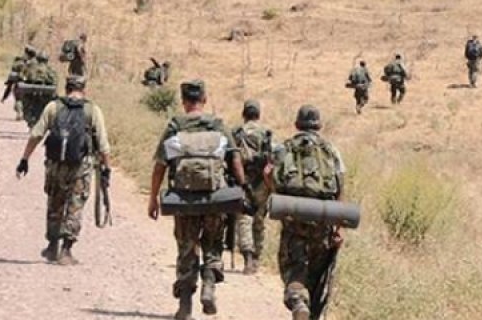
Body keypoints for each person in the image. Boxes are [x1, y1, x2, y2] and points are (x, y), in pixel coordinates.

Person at [146, 80, 250, 320]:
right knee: (213, 245)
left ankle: (185, 306)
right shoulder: (218, 125)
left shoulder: (175, 126)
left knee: (186, 249)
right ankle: (209, 287)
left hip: (184, 200)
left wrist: (153, 198)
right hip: (215, 198)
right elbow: (235, 160)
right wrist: (242, 188)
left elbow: (160, 165)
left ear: (183, 101)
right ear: (204, 99)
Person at [15, 75, 112, 265]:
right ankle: (66, 251)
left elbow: (36, 134)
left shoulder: (53, 107)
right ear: (84, 89)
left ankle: (52, 246)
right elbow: (103, 145)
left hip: (55, 164)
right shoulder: (92, 110)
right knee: (75, 205)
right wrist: (106, 170)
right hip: (81, 166)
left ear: (66, 88)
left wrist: (24, 159)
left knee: (55, 203)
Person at [272, 105, 346, 320]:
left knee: (293, 270)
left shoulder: (284, 149)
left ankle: (297, 301)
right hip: (323, 223)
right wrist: (339, 229)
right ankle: (308, 309)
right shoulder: (331, 151)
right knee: (316, 277)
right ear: (319, 125)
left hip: (294, 222)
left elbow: (273, 180)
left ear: (297, 124)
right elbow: (340, 189)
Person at [232, 99, 276, 275]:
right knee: (259, 219)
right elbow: (273, 159)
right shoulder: (266, 134)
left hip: (242, 179)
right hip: (262, 182)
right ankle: (256, 257)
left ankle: (248, 257)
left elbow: (231, 157)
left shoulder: (237, 133)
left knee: (244, 218)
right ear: (258, 114)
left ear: (244, 114)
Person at [20, 51, 58, 128]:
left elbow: (24, 77)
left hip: (32, 93)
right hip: (44, 94)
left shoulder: (31, 68)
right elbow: (54, 81)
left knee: (26, 103)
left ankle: (32, 121)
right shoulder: (50, 69)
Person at [2, 45, 37, 121]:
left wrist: (5, 96)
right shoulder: (37, 63)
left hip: (22, 85)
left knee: (18, 98)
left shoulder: (21, 62)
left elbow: (12, 77)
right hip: (34, 85)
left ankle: (20, 112)